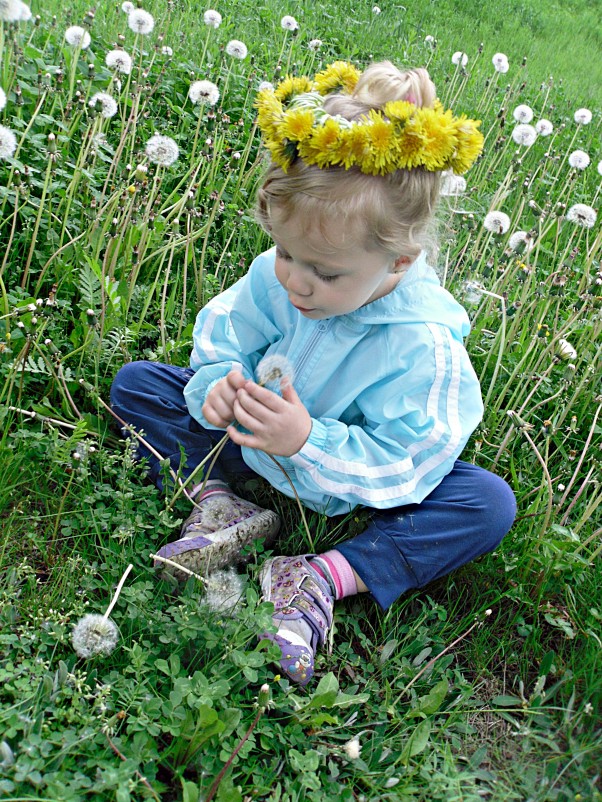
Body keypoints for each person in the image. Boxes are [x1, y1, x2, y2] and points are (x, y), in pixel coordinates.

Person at [110, 60, 517, 686]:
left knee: (485, 504)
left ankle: (325, 573)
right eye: (285, 253)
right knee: (139, 384)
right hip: (247, 446)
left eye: (325, 274)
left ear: (399, 262)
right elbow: (227, 331)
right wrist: (217, 382)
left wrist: (308, 442)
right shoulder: (286, 277)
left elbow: (414, 451)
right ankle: (222, 504)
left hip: (350, 478)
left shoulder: (422, 344)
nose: (297, 282)